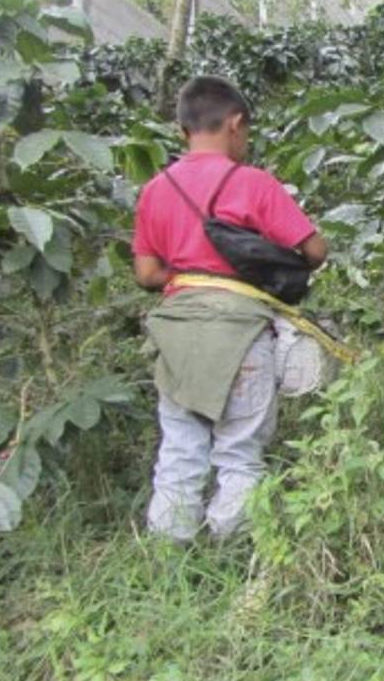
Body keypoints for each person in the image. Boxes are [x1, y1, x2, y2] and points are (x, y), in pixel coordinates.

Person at [132, 75, 328, 542]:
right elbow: (316, 251)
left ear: (184, 130)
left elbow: (146, 275)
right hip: (242, 333)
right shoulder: (254, 184)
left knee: (180, 451)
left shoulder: (155, 190)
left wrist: (188, 273)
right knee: (240, 453)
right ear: (235, 124)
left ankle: (168, 555)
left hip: (177, 338)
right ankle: (232, 551)